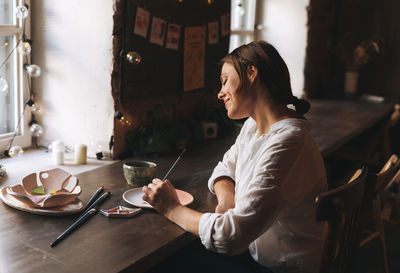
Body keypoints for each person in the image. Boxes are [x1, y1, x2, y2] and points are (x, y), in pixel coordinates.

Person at [142, 40, 327, 273]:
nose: (220, 93)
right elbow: (224, 168)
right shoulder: (254, 125)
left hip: (281, 268)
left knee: (163, 264)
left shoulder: (288, 142)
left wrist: (171, 208)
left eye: (224, 80)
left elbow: (231, 237)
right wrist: (227, 199)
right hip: (256, 254)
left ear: (251, 73)